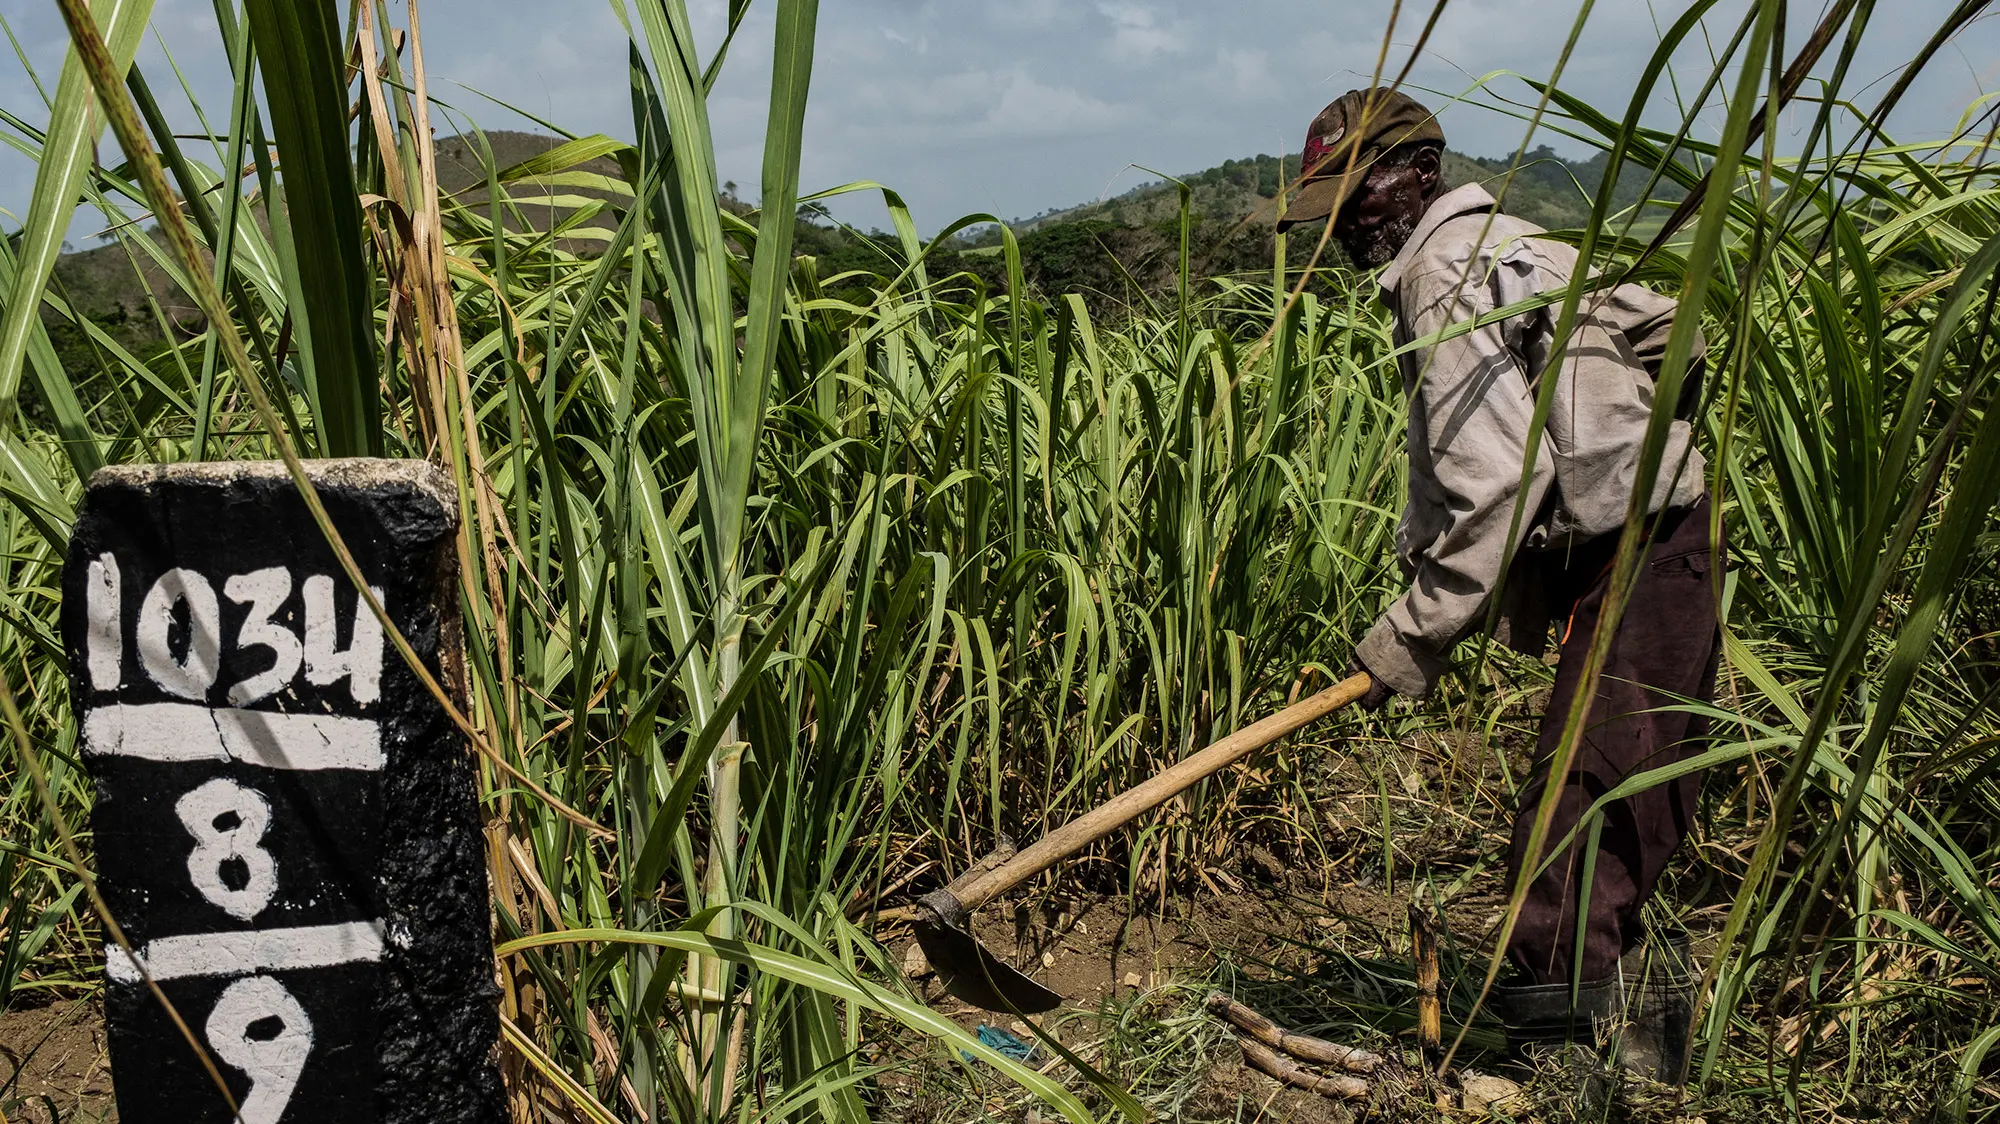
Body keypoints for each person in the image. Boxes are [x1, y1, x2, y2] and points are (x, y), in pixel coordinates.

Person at [1277, 88, 1724, 1082]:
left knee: (1579, 805)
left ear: (1416, 171)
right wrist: (1609, 430)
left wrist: (1410, 636)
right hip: (1661, 541)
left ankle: (1557, 1066)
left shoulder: (1439, 264)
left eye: (1357, 196)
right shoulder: (1521, 240)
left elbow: (1492, 479)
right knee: (1625, 796)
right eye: (1333, 207)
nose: (1347, 226)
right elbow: (1676, 337)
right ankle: (1639, 1056)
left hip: (1639, 551)